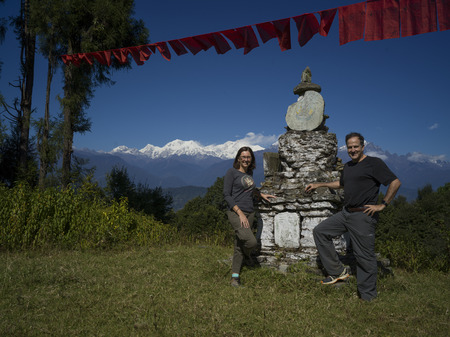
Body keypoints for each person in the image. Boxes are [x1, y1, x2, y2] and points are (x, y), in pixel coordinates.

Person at [305, 132, 401, 301]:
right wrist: (319, 184)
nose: (353, 150)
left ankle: (368, 296)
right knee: (321, 231)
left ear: (363, 147)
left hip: (363, 215)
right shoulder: (348, 167)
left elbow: (395, 182)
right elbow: (342, 184)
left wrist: (383, 204)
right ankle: (337, 272)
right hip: (346, 213)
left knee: (364, 256)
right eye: (350, 147)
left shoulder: (374, 163)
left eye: (356, 146)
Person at [223, 146, 275, 287]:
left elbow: (249, 189)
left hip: (250, 212)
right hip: (236, 213)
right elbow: (226, 195)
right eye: (243, 157)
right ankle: (247, 257)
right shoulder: (232, 172)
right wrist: (240, 213)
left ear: (251, 159)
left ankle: (235, 277)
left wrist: (260, 194)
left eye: (248, 157)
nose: (246, 159)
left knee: (239, 245)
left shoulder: (249, 174)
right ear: (238, 158)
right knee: (251, 242)